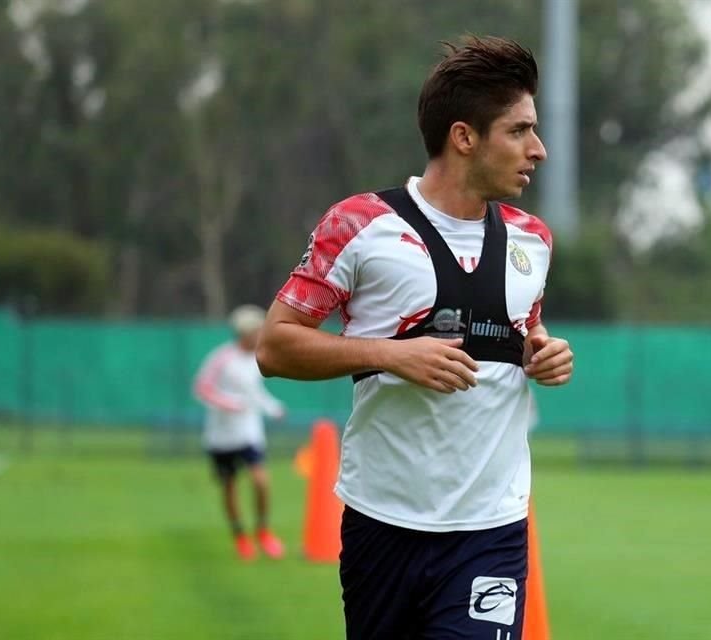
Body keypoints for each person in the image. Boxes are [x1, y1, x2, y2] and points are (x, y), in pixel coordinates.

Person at [257, 36, 573, 639]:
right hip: (383, 523)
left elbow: (524, 328)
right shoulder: (361, 226)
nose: (539, 150)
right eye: (520, 131)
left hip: (492, 531)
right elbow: (274, 347)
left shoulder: (533, 239)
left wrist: (543, 351)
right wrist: (390, 355)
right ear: (464, 137)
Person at [193, 304, 287, 561]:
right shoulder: (222, 358)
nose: (259, 334)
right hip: (221, 436)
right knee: (230, 486)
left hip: (248, 433)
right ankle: (240, 536)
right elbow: (202, 388)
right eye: (256, 330)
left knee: (260, 481)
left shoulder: (258, 358)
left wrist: (273, 408)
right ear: (244, 333)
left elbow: (255, 394)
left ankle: (264, 531)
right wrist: (229, 404)